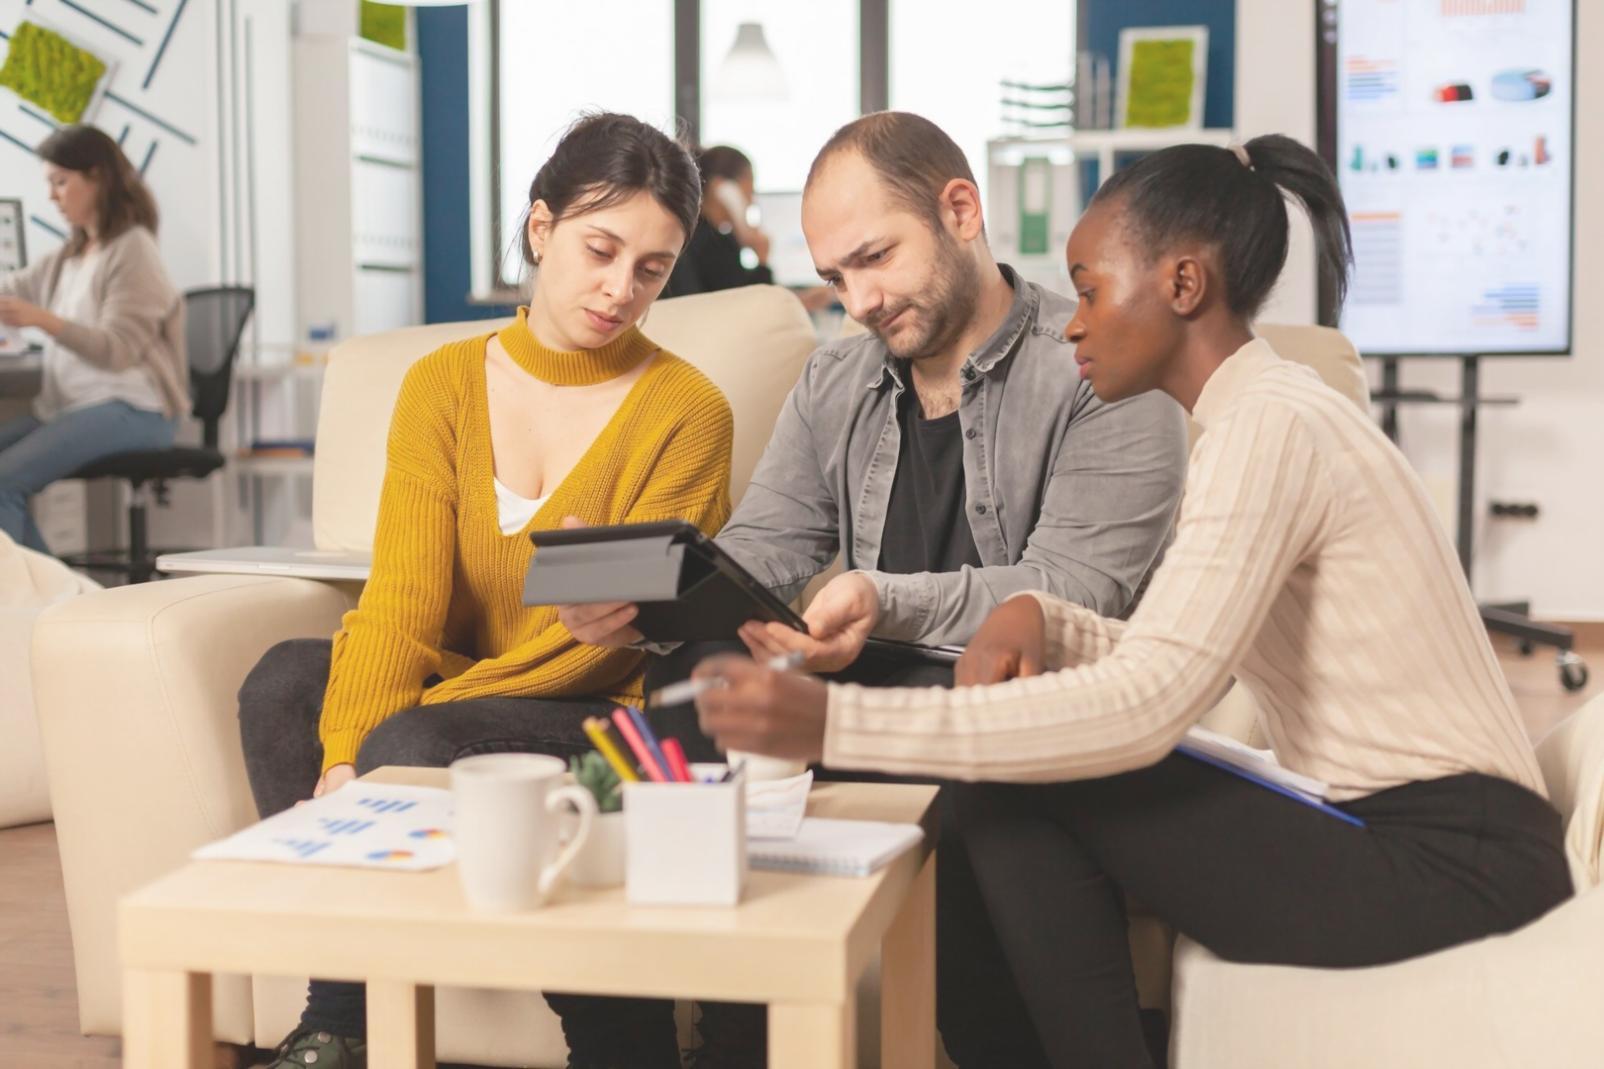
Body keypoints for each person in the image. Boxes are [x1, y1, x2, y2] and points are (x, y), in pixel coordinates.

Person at [687, 134, 1573, 1068]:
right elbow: (1186, 640)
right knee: (1003, 790)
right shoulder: (1259, 415)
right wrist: (1051, 621)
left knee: (1005, 780)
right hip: (1406, 830)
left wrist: (835, 724)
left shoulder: (1271, 426)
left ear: (1183, 286)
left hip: (1451, 858)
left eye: (1094, 289)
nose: (1073, 322)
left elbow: (1150, 702)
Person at [560, 110, 1189, 1063]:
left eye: (876, 258)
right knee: (701, 670)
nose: (858, 299)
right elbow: (764, 547)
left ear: (961, 210)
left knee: (987, 768)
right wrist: (641, 595)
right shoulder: (837, 380)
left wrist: (882, 596)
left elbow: (1077, 592)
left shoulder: (1100, 367)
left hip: (1008, 695)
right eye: (836, 276)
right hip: (853, 688)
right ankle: (715, 1042)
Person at [236, 113, 733, 1069]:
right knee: (285, 682)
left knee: (410, 736)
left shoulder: (687, 410)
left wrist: (388, 733)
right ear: (541, 229)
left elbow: (614, 642)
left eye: (652, 269)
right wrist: (346, 753)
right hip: (472, 690)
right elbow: (403, 600)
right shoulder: (443, 386)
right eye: (601, 249)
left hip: (610, 713)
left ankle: (619, 1041)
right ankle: (339, 1022)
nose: (620, 289)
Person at [0, 124, 185, 553]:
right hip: (74, 405)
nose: (52, 196)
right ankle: (56, 598)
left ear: (98, 177)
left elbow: (117, 350)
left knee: (4, 482)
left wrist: (44, 320)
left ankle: (34, 609)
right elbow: (12, 286)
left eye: (61, 182)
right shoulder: (73, 254)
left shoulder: (133, 249)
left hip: (135, 409)